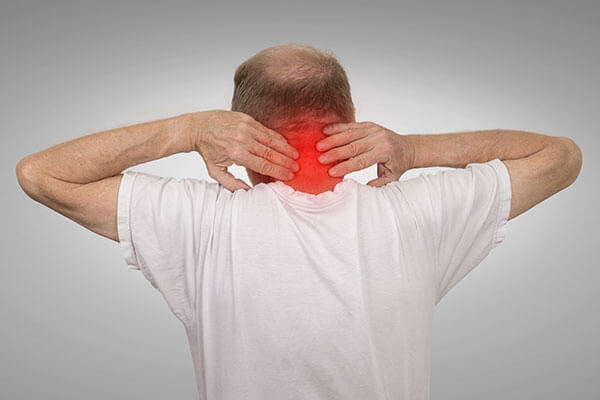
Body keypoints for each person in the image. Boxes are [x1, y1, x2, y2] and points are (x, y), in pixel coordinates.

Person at [15, 43, 582, 400]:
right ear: (350, 119)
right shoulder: (414, 217)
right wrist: (414, 149)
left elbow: (41, 174)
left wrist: (184, 131)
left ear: (240, 134)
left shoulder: (201, 225)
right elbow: (560, 157)